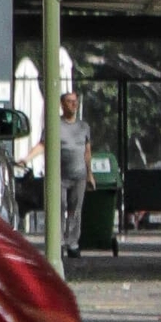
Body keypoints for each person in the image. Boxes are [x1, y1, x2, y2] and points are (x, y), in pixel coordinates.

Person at [57, 86, 92, 267]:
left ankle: (73, 243)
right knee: (59, 207)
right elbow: (44, 145)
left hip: (79, 175)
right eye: (70, 101)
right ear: (62, 104)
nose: (74, 105)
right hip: (60, 175)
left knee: (75, 210)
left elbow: (87, 151)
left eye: (75, 102)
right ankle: (59, 242)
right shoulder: (56, 125)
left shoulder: (83, 127)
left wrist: (90, 174)